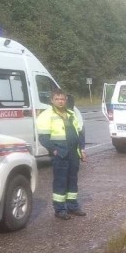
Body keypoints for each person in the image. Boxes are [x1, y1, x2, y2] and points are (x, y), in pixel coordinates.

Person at [36, 89, 87, 219]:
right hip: (60, 153)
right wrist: (54, 150)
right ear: (52, 100)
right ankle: (59, 209)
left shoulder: (71, 113)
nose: (60, 101)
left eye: (62, 99)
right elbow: (43, 138)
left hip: (73, 152)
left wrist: (82, 149)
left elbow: (79, 133)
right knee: (61, 181)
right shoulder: (46, 115)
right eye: (57, 99)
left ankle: (72, 206)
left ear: (66, 100)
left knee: (72, 180)